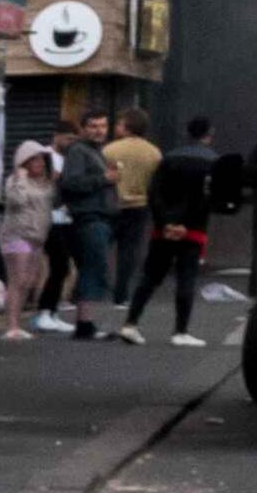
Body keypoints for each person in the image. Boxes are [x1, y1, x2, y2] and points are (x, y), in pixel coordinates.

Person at [124, 114, 224, 345]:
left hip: (163, 229)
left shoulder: (169, 159)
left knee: (150, 277)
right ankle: (180, 331)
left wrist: (167, 221)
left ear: (187, 133)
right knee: (186, 277)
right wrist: (186, 224)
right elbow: (209, 199)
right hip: (194, 230)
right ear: (209, 135)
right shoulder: (213, 162)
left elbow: (154, 192)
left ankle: (130, 323)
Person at [42, 115, 118, 338]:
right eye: (93, 126)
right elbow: (71, 183)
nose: (99, 130)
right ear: (83, 129)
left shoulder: (97, 152)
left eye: (103, 126)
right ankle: (84, 324)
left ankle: (86, 323)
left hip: (100, 218)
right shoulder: (79, 151)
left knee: (92, 268)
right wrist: (104, 178)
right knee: (92, 268)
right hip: (88, 218)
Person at [104, 108, 163, 330]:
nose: (116, 127)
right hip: (140, 205)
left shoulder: (110, 150)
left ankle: (97, 289)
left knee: (102, 246)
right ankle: (121, 294)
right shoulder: (154, 153)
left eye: (119, 123)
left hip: (114, 204)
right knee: (129, 252)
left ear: (127, 126)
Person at [0, 139, 58, 341]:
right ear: (24, 162)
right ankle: (11, 325)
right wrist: (20, 179)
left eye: (41, 160)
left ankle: (17, 323)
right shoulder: (14, 180)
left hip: (38, 236)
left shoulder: (47, 182)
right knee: (18, 279)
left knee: (29, 281)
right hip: (17, 234)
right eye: (34, 160)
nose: (38, 164)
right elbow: (16, 201)